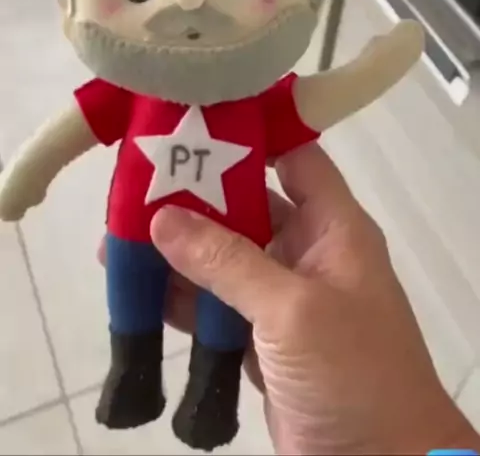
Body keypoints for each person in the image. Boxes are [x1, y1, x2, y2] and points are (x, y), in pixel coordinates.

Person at [100, 142, 480, 455]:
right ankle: (152, 383)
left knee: (213, 306)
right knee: (180, 299)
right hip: (156, 231)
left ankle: (203, 395)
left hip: (176, 230)